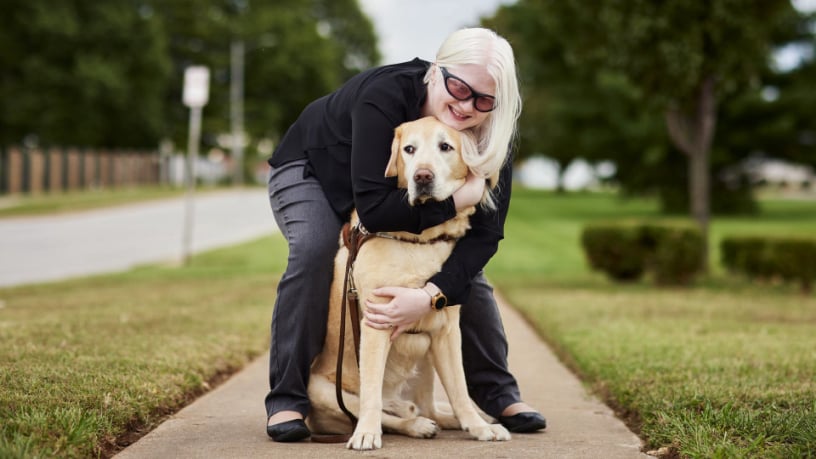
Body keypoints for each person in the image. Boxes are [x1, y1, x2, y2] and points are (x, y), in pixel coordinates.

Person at [264, 27, 546, 443]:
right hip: (311, 167)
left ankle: (498, 393)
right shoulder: (385, 96)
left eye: (483, 99)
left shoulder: (490, 133)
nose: (467, 106)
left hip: (383, 196)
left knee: (460, 270)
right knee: (314, 249)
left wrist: (430, 296)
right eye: (458, 87)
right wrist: (456, 201)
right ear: (435, 72)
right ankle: (288, 399)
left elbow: (484, 237)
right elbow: (376, 211)